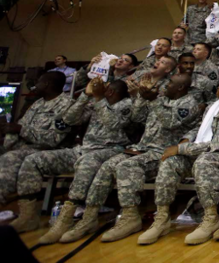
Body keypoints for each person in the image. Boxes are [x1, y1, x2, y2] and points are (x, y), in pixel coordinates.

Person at [60, 74, 202, 243]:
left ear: (180, 87)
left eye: (170, 83)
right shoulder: (161, 98)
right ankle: (89, 217)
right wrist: (142, 96)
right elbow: (137, 117)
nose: (166, 84)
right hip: (142, 149)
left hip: (164, 153)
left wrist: (154, 99)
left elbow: (169, 123)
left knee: (126, 166)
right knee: (106, 167)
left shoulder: (189, 103)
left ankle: (130, 216)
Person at [138, 76, 219, 245]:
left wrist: (181, 149)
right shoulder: (213, 106)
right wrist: (186, 140)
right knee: (170, 163)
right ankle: (162, 218)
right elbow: (200, 128)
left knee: (203, 162)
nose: (218, 86)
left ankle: (211, 218)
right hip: (197, 150)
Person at [10, 79, 132, 243]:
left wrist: (98, 99)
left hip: (110, 150)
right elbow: (69, 119)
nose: (100, 89)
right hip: (82, 149)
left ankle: (66, 219)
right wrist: (84, 96)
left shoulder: (128, 104)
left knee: (87, 162)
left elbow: (113, 123)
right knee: (33, 160)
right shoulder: (96, 102)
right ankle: (27, 217)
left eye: (105, 88)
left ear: (110, 91)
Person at [0, 72, 73, 206]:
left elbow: (54, 139)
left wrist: (20, 129)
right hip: (22, 146)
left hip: (46, 151)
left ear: (46, 84)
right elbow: (21, 125)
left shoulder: (67, 105)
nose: (35, 86)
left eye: (38, 82)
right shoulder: (38, 103)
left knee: (9, 157)